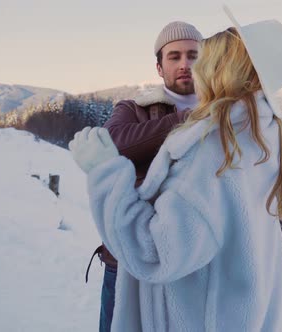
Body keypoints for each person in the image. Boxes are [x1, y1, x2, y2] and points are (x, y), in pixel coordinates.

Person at [70, 6, 282, 331]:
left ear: (222, 69)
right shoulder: (260, 135)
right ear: (159, 65)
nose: (191, 67)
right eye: (175, 57)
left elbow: (155, 251)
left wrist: (105, 175)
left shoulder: (214, 147)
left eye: (200, 58)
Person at [82, 21, 203, 332]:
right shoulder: (134, 108)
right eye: (174, 57)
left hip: (194, 263)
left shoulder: (220, 113)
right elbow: (113, 145)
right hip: (127, 259)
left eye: (193, 55)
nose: (185, 64)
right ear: (159, 67)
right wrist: (184, 121)